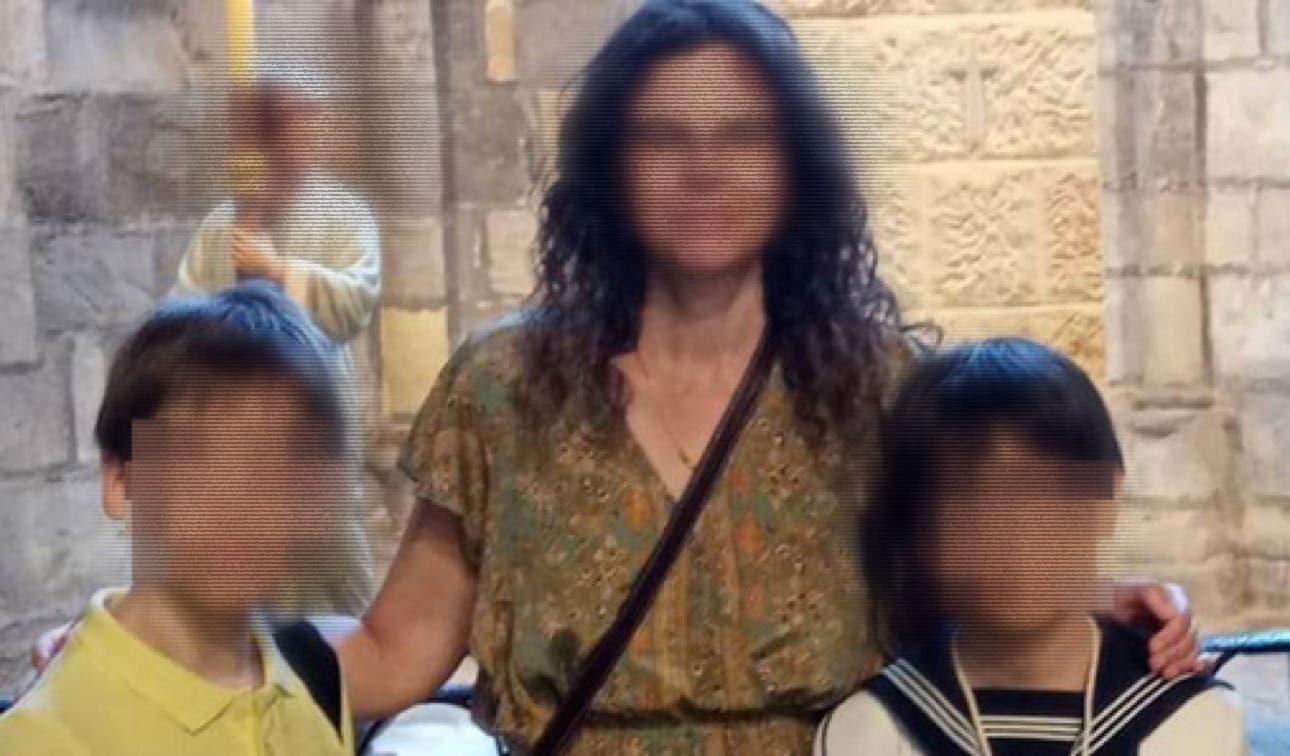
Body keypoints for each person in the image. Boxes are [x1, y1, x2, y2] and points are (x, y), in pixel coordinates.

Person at [336, 1, 1204, 753]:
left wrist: (1095, 604)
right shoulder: (501, 392)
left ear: (795, 167)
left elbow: (968, 589)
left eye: (743, 135)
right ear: (612, 165)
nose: (704, 168)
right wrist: (247, 650)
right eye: (664, 136)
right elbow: (392, 652)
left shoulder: (882, 392)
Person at [815, 338, 1247, 756]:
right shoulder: (871, 733)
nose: (1012, 539)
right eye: (969, 506)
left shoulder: (1193, 724)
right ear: (920, 535)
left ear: (1107, 499)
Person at [0, 284, 355, 755]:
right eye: (198, 455)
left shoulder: (313, 675)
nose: (240, 500)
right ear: (119, 480)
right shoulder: (41, 740)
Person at [173, 60, 380, 616]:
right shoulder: (224, 224)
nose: (301, 141)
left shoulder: (343, 213)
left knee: (330, 570)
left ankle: (344, 667)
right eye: (286, 125)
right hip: (238, 429)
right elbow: (181, 315)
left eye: (308, 124)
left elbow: (356, 301)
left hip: (314, 417)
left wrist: (280, 271)